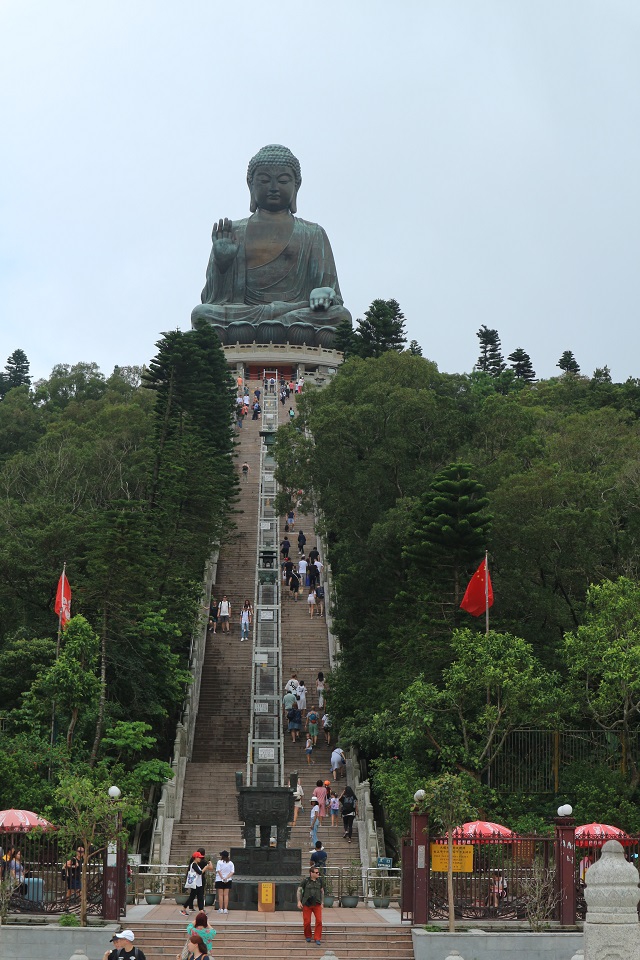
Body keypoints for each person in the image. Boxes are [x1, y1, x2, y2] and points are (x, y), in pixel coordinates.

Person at [297, 865, 325, 945]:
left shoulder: (320, 881)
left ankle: (317, 938)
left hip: (317, 903)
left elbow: (322, 891)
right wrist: (299, 901)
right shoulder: (306, 881)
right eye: (316, 872)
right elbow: (299, 890)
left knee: (319, 921)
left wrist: (322, 902)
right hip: (307, 904)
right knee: (307, 921)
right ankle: (308, 935)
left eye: (318, 872)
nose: (318, 874)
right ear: (311, 873)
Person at [181, 850, 213, 915]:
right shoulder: (193, 865)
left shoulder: (196, 864)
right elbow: (200, 872)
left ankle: (201, 910)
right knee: (192, 897)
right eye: (199, 857)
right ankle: (184, 908)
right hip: (195, 884)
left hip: (199, 883)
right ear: (196, 857)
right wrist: (205, 867)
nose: (200, 859)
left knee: (200, 897)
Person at [215, 850, 234, 914]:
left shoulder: (219, 862)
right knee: (226, 895)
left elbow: (218, 871)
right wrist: (227, 878)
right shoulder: (231, 863)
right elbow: (232, 872)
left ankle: (221, 908)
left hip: (219, 880)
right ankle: (225, 909)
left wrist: (222, 878)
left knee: (220, 895)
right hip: (228, 880)